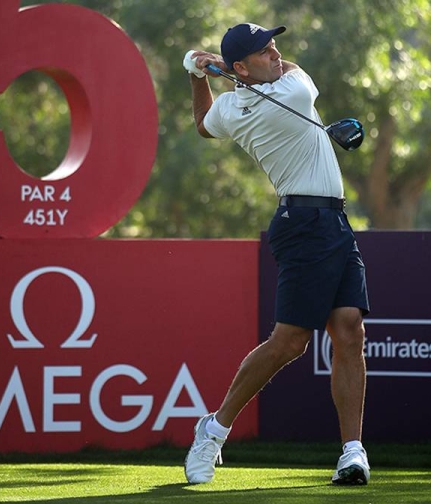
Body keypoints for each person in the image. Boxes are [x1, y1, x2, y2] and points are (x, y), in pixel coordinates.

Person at [182, 23, 371, 486]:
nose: (276, 52)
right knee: (290, 342)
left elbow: (204, 126)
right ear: (244, 66)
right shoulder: (294, 91)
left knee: (349, 328)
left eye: (273, 44)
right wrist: (223, 69)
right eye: (263, 51)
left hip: (333, 223)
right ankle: (215, 428)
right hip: (303, 225)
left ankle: (352, 452)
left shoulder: (232, 106)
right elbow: (293, 72)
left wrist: (198, 75)